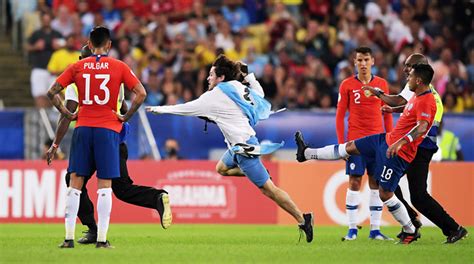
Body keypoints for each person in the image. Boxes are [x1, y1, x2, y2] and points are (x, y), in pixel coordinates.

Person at [146, 55, 314, 243]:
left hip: (244, 148)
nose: (208, 78)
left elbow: (187, 108)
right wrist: (249, 77)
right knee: (221, 169)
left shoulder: (216, 94)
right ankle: (254, 173)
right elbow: (260, 94)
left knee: (270, 191)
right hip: (238, 146)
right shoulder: (238, 87)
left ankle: (303, 219)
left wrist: (159, 109)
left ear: (221, 78)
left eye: (211, 74)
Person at [296, 64, 437, 244]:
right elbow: (405, 108)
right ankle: (306, 153)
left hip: (397, 153)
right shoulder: (417, 97)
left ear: (418, 80)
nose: (407, 79)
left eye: (410, 77)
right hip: (384, 140)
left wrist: (402, 142)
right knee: (350, 147)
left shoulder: (427, 100)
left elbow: (422, 127)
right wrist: (388, 106)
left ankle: (410, 230)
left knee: (385, 193)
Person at [46, 45, 172, 245]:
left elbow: (67, 113)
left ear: (81, 59)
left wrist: (55, 145)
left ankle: (92, 230)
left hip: (89, 137)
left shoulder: (78, 75)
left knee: (74, 180)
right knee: (121, 188)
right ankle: (157, 197)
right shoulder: (115, 78)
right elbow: (121, 108)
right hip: (113, 139)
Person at [362, 54, 468, 243]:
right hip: (418, 145)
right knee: (386, 183)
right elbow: (410, 107)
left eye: (409, 67)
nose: (406, 70)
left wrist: (378, 94)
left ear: (419, 71)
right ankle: (413, 222)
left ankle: (449, 228)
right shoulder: (424, 90)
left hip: (420, 146)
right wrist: (393, 111)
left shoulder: (419, 88)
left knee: (414, 194)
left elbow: (405, 107)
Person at [335, 46, 393, 241]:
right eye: (359, 60)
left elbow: (387, 114)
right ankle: (352, 229)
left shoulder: (382, 85)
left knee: (376, 183)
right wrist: (342, 144)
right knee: (355, 181)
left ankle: (375, 230)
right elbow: (340, 116)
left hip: (377, 142)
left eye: (366, 60)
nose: (363, 64)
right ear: (355, 62)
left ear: (373, 61)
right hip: (356, 142)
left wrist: (390, 139)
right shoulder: (347, 85)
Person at [26, 11, 63, 108]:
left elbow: (65, 47)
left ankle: (50, 121)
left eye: (48, 19)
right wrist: (35, 46)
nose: (46, 22)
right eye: (44, 20)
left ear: (51, 20)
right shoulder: (36, 33)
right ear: (42, 21)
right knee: (39, 95)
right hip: (39, 68)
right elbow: (27, 47)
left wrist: (59, 46)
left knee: (55, 96)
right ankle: (41, 120)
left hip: (53, 71)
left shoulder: (57, 34)